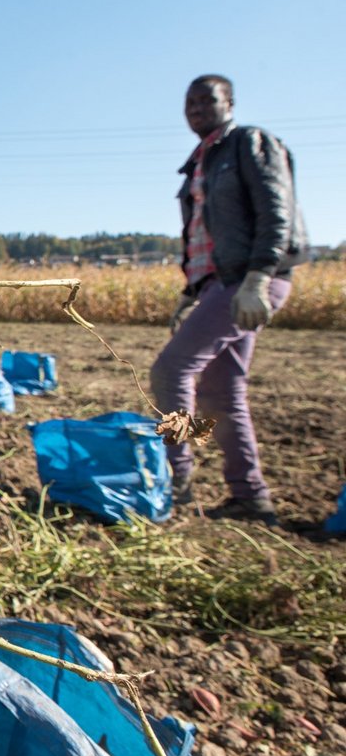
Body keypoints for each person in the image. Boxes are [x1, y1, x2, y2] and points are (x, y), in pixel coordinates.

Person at [150, 74, 308, 526]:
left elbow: (277, 209)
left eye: (207, 99)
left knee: (171, 369)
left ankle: (175, 479)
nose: (197, 107)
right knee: (223, 392)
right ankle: (251, 497)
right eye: (190, 101)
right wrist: (190, 293)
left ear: (230, 103)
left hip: (247, 284)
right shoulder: (201, 161)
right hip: (220, 287)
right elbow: (206, 238)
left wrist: (260, 276)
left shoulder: (249, 144)